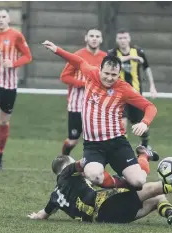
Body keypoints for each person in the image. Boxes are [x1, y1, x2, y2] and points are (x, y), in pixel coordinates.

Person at [42, 40, 158, 190]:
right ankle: (119, 184)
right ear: (100, 69)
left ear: (119, 74)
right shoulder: (91, 74)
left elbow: (150, 107)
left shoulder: (124, 89)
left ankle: (144, 155)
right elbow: (77, 61)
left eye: (114, 75)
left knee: (139, 182)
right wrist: (57, 49)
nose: (109, 78)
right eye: (107, 73)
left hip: (117, 143)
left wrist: (144, 122)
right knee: (94, 175)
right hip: (94, 145)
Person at [27, 155, 172, 225]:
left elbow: (43, 214)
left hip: (106, 219)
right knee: (153, 188)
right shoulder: (67, 172)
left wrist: (35, 216)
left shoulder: (54, 197)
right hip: (106, 205)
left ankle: (171, 214)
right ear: (65, 167)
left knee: (156, 198)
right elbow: (84, 162)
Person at [0, 8, 32, 169]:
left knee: (3, 122)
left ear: (8, 19)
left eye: (4, 17)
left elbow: (28, 56)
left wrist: (13, 64)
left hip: (9, 84)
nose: (1, 19)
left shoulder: (16, 35)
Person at [108, 29, 158, 149]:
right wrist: (130, 57)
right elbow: (110, 63)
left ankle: (145, 145)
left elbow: (147, 68)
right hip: (118, 95)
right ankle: (123, 148)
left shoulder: (139, 51)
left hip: (135, 95)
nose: (123, 41)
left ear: (129, 39)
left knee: (141, 124)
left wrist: (152, 86)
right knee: (122, 123)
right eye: (120, 38)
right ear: (116, 40)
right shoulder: (113, 53)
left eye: (125, 38)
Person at [60, 28, 107, 156]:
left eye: (97, 36)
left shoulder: (105, 57)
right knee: (72, 140)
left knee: (95, 139)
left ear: (101, 39)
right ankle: (63, 159)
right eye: (91, 36)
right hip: (77, 105)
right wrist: (83, 84)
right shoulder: (77, 56)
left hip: (96, 106)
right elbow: (64, 76)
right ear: (86, 38)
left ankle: (92, 165)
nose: (94, 38)